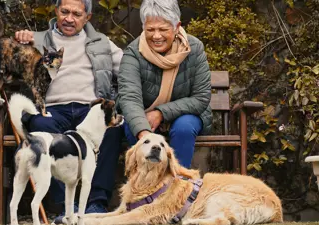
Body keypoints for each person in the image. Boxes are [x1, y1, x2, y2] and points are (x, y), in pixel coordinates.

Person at [14, 0, 123, 222]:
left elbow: (128, 70)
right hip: (52, 109)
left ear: (87, 17)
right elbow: (12, 63)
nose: (69, 19)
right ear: (56, 11)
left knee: (111, 131)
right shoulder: (37, 39)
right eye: (64, 12)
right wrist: (21, 41)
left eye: (76, 14)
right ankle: (67, 207)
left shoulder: (102, 43)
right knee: (41, 128)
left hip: (89, 108)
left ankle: (96, 204)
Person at [117, 0, 212, 168]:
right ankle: (142, 187)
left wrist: (161, 113)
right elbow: (129, 98)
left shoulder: (195, 48)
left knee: (184, 128)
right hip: (143, 114)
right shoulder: (133, 53)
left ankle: (179, 185)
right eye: (150, 30)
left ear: (176, 27)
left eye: (163, 29)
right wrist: (145, 134)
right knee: (134, 128)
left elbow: (201, 98)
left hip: (185, 114)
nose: (156, 36)